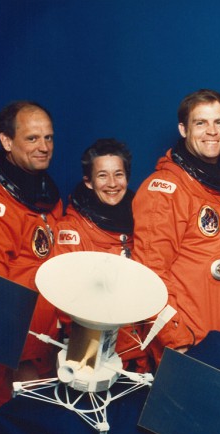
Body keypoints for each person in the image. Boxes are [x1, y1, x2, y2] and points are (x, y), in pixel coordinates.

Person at [132, 89, 220, 364]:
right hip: (191, 343)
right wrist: (178, 342)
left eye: (218, 122)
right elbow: (150, 275)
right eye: (201, 123)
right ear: (183, 129)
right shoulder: (164, 190)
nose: (211, 131)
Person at [0, 100, 62, 421]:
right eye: (32, 138)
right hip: (10, 357)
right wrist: (20, 358)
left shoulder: (47, 196)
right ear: (6, 141)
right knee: (12, 433)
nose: (43, 147)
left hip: (47, 346)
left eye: (48, 138)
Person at [54, 138, 150, 372]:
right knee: (89, 403)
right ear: (88, 182)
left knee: (138, 406)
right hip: (91, 349)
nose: (112, 184)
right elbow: (65, 301)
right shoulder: (71, 230)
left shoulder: (143, 224)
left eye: (118, 174)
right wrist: (86, 363)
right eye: (102, 175)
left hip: (140, 349)